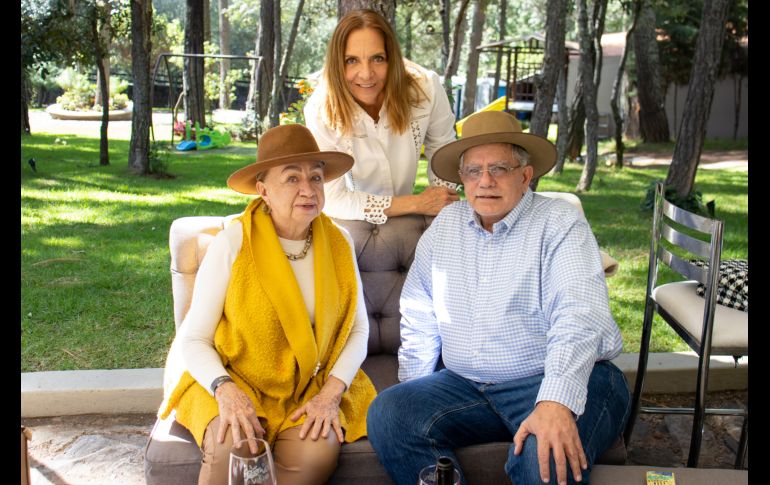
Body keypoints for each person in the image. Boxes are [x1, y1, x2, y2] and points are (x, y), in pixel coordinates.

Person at [366, 111, 631, 485]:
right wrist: (416, 387)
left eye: (499, 169)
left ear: (525, 175)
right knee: (390, 413)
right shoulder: (446, 225)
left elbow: (579, 315)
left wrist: (555, 402)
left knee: (542, 463)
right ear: (461, 178)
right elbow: (418, 312)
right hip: (468, 387)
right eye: (473, 171)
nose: (485, 182)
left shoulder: (559, 221)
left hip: (561, 379)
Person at [158, 123, 377, 485]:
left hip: (310, 384)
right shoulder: (233, 242)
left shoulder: (340, 242)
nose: (308, 190)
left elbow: (358, 329)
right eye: (292, 179)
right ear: (263, 191)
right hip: (234, 377)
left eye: (316, 178)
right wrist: (224, 390)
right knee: (233, 443)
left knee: (316, 451)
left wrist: (330, 395)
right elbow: (193, 338)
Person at [303, 9, 460, 224]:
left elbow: (444, 152)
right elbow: (332, 198)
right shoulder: (321, 110)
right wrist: (417, 203)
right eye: (352, 60)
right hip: (354, 217)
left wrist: (439, 202)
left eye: (378, 58)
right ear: (336, 64)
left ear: (392, 59)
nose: (366, 73)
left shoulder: (426, 88)